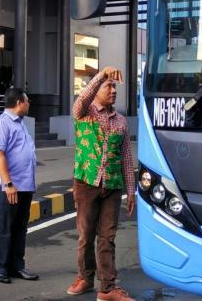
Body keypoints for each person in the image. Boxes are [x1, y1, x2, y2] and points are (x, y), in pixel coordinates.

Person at [65, 67, 136, 301]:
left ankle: (107, 288)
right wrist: (101, 75)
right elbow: (83, 97)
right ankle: (85, 277)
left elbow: (126, 156)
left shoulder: (121, 122)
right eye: (109, 86)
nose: (113, 90)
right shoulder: (84, 113)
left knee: (108, 238)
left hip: (112, 186)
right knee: (86, 235)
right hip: (87, 183)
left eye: (114, 87)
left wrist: (131, 191)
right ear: (97, 90)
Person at [0, 87, 38, 284]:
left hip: (24, 186)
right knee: (4, 228)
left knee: (19, 228)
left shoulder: (20, 124)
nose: (29, 104)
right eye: (27, 100)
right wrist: (8, 183)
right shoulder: (1, 124)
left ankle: (17, 266)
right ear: (19, 102)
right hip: (6, 186)